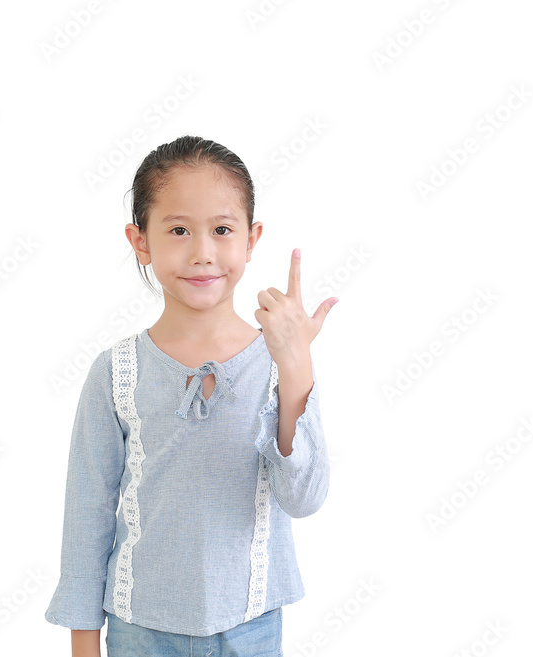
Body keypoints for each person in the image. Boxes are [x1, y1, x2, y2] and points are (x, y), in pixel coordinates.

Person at [44, 135, 338, 657]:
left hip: (250, 628)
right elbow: (86, 517)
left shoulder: (280, 362)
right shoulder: (116, 372)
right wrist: (84, 645)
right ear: (141, 241)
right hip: (139, 631)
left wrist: (295, 365)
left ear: (251, 239)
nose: (203, 253)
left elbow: (304, 498)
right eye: (179, 230)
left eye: (222, 230)